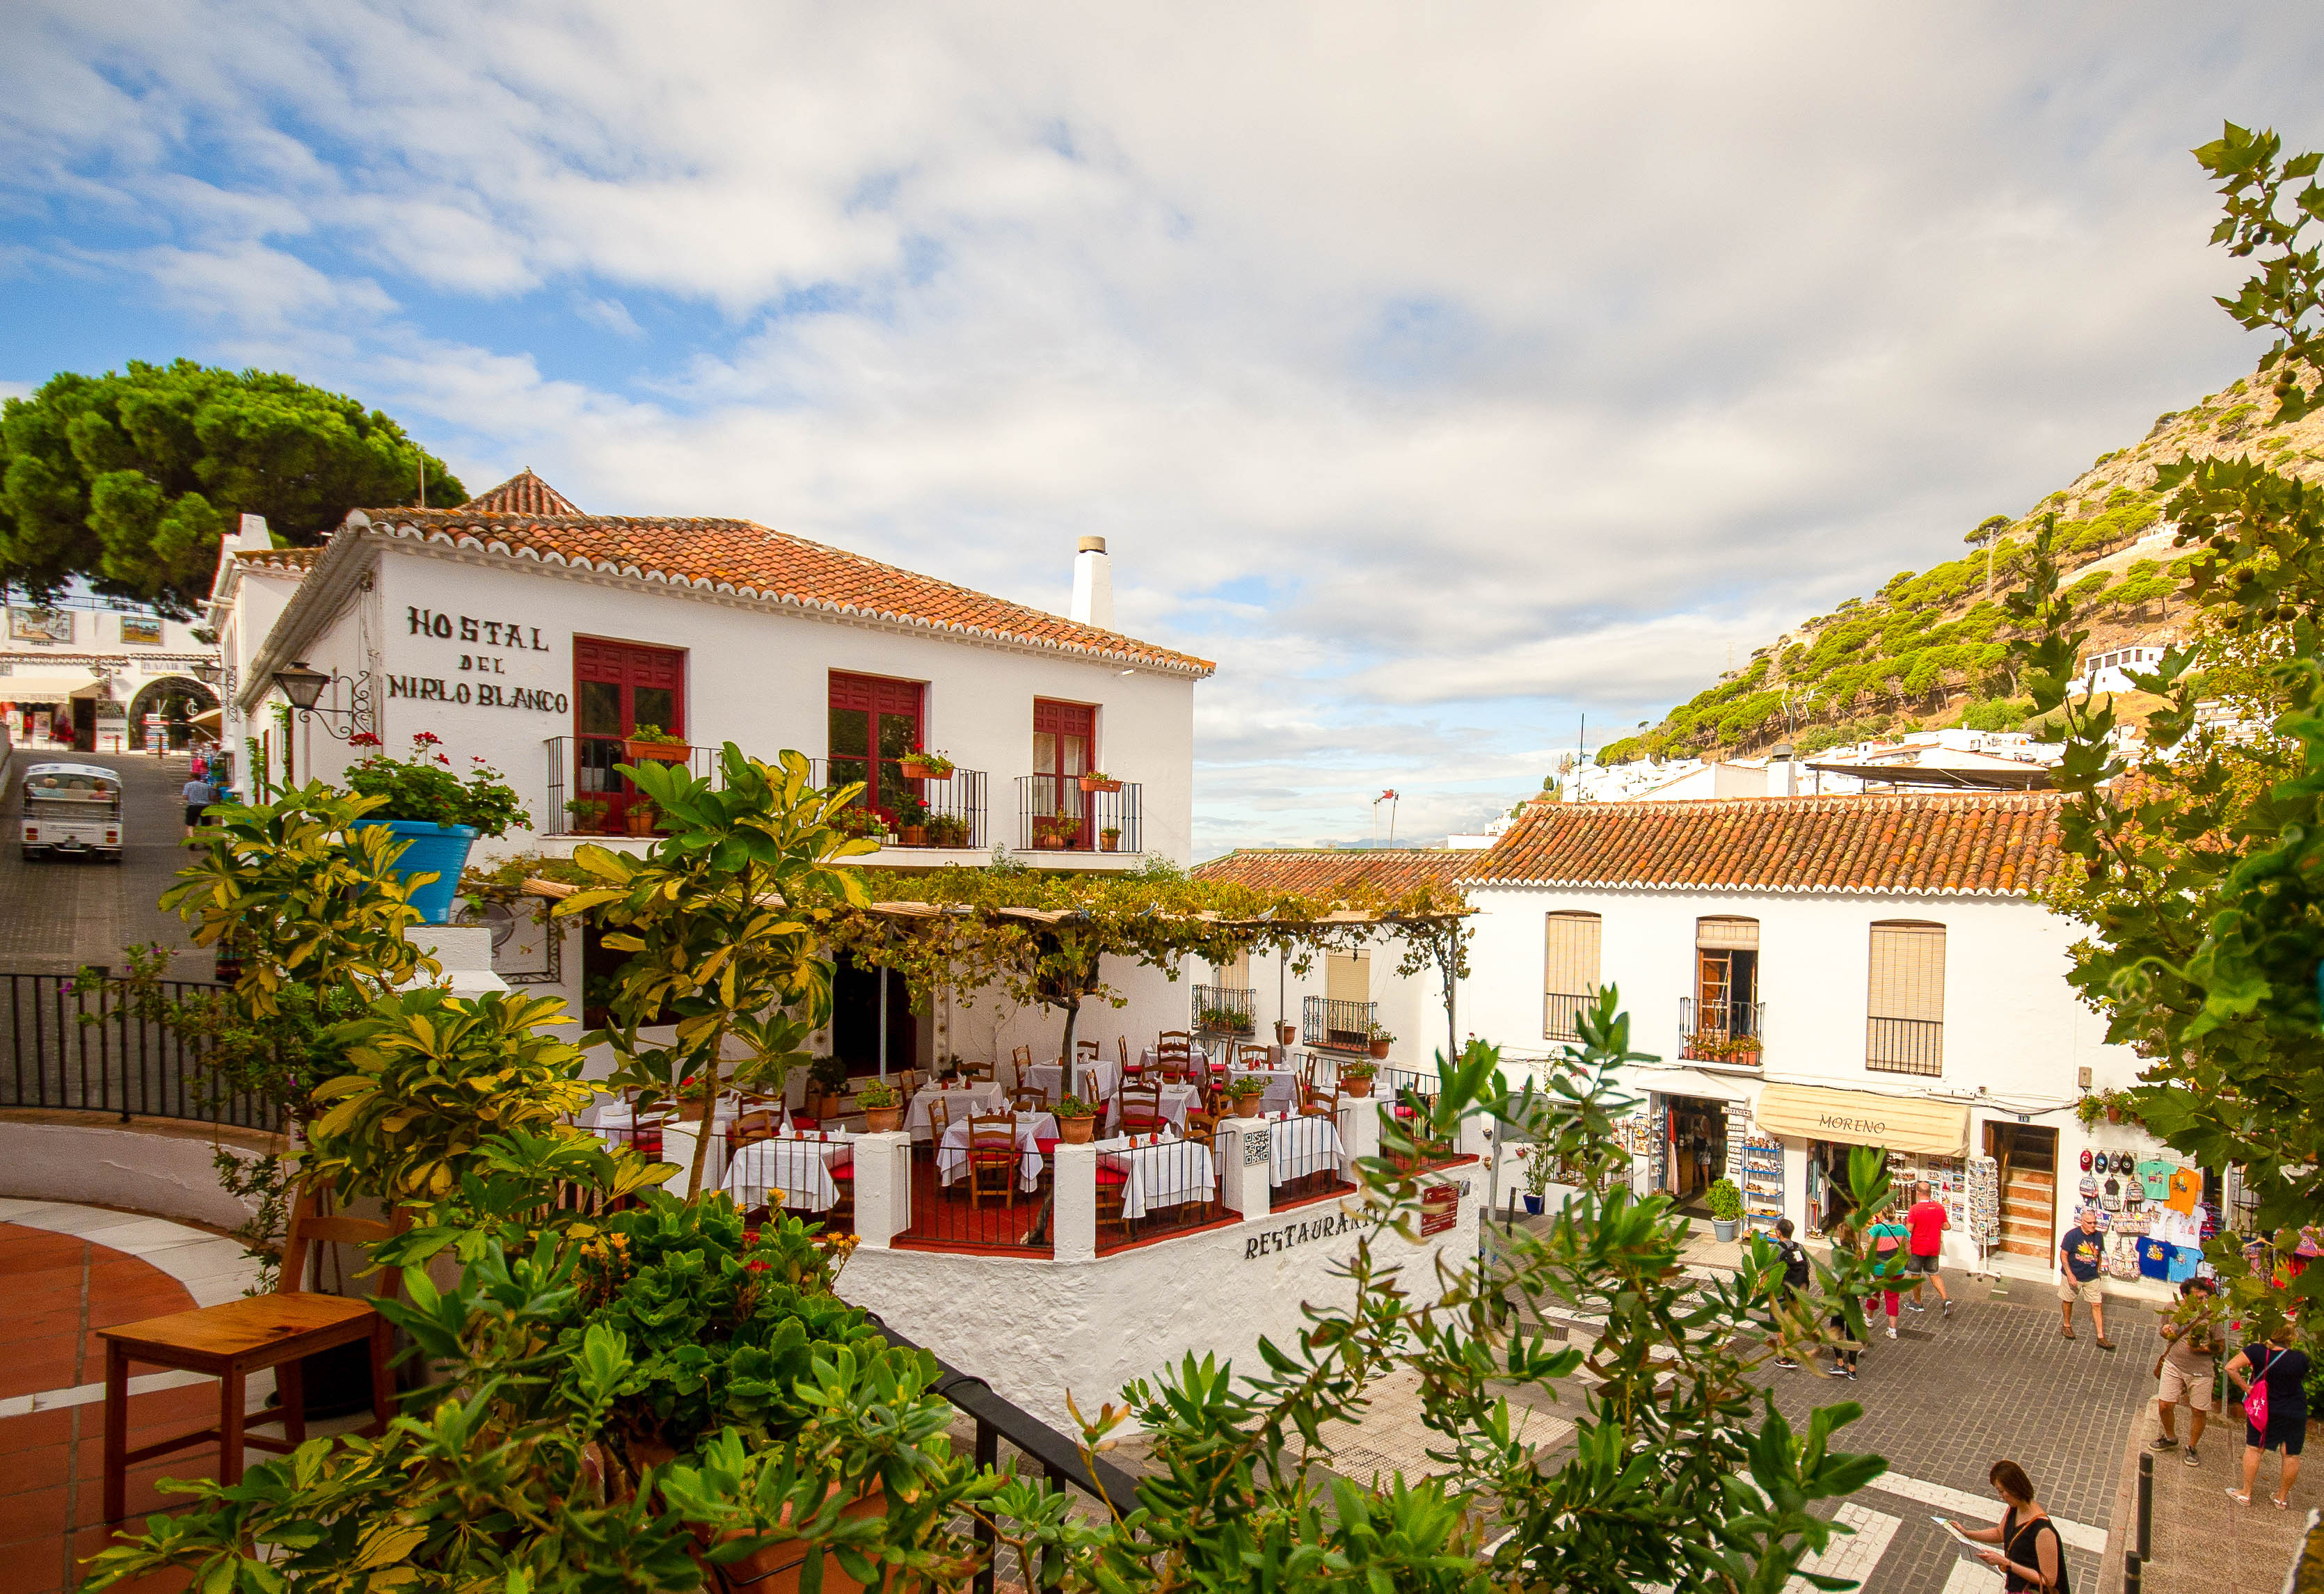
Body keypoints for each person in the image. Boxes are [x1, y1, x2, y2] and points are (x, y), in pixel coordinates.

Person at [2224, 1321, 2310, 1508]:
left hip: (2265, 1409)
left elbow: (2230, 1367)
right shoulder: (2300, 1358)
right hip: (2295, 1410)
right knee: (2291, 1454)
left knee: (2255, 1448)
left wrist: (2247, 1388)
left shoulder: (2256, 1351)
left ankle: (2246, 1493)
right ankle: (2281, 1498)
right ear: (2291, 1337)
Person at [1950, 1460, 2069, 1592]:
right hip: (2017, 1587)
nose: (2000, 1496)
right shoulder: (2014, 1508)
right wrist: (1967, 1533)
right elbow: (2000, 1533)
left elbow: (2049, 1579)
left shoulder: (2043, 1531)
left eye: (2002, 1491)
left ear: (2015, 1488)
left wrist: (2006, 1563)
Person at [2151, 1277, 2219, 1467]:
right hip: (2173, 1364)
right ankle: (2170, 1437)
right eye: (2197, 1298)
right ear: (2184, 1296)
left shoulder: (2211, 1316)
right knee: (2165, 1405)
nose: (2202, 1302)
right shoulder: (2171, 1308)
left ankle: (2192, 1446)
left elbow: (2220, 1346)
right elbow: (2163, 1332)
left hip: (2201, 1372)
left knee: (2198, 1410)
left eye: (2204, 1298)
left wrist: (2203, 1349)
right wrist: (2165, 1332)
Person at [2058, 1207, 2112, 1350]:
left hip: (2091, 1277)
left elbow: (2099, 1254)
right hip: (2073, 1274)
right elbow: (2064, 1255)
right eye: (2090, 1223)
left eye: (2094, 1222)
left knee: (2097, 1304)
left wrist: (2098, 1271)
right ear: (2082, 1223)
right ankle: (2067, 1325)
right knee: (2068, 1300)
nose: (2093, 1225)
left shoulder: (2098, 1237)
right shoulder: (2072, 1236)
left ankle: (2101, 1337)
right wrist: (2070, 1274)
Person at [1769, 1216, 1814, 1370]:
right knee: (1791, 1323)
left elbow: (1767, 1271)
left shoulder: (1776, 1249)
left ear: (1779, 1232)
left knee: (1778, 1324)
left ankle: (1788, 1357)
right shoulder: (1800, 1248)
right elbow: (1807, 1268)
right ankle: (1788, 1352)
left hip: (1781, 1293)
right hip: (1797, 1292)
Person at [1905, 1180, 1954, 1318]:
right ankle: (1946, 1299)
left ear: (1918, 1193)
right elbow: (1947, 1226)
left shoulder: (1915, 1209)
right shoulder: (1939, 1208)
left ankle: (1917, 1302)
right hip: (1933, 1247)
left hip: (1918, 1247)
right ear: (1930, 1193)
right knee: (1934, 1274)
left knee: (1915, 1275)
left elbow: (1909, 1229)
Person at [1866, 1206, 1911, 1339]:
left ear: (1882, 1214)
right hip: (1896, 1270)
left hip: (1878, 1269)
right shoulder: (1903, 1229)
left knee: (1874, 1293)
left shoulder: (1876, 1229)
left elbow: (1869, 1250)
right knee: (1893, 1298)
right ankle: (1892, 1329)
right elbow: (1908, 1250)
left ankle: (1869, 1319)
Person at [180, 770, 218, 840]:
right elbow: (212, 797)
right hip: (205, 807)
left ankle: (192, 839)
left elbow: (185, 797)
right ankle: (206, 841)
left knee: (190, 824)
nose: (189, 779)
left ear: (193, 778)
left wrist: (191, 797)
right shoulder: (207, 786)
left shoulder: (188, 785)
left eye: (190, 778)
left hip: (193, 806)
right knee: (206, 825)